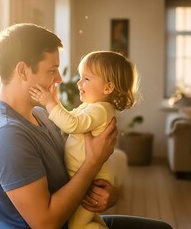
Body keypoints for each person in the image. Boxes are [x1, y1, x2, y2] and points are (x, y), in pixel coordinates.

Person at [0, 22, 172, 229]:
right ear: (23, 71)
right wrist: (94, 162)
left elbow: (73, 164)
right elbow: (46, 224)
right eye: (52, 70)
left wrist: (108, 193)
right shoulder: (8, 137)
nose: (60, 79)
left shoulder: (40, 115)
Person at [29, 51, 138, 229]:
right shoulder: (91, 106)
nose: (79, 83)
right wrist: (56, 102)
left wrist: (49, 103)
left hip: (92, 182)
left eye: (86, 78)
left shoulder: (101, 110)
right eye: (80, 77)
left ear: (107, 88)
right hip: (86, 179)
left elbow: (71, 125)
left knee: (78, 226)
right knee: (89, 220)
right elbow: (71, 118)